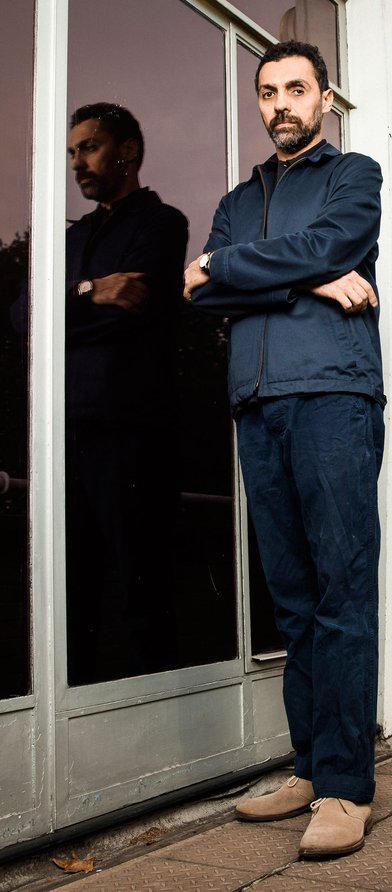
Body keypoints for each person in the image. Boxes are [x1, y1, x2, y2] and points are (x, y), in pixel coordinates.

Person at [183, 41, 385, 859]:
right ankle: (308, 768)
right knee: (294, 600)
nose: (280, 105)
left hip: (333, 393)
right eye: (267, 93)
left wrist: (237, 270)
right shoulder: (238, 197)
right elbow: (200, 295)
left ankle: (344, 787)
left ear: (324, 99)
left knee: (340, 593)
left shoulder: (354, 174)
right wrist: (305, 280)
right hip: (255, 404)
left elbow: (320, 246)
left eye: (296, 89)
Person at [64, 103, 188, 683]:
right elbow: (21, 316)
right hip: (65, 434)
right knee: (69, 595)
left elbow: (133, 313)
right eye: (72, 152)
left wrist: (65, 310)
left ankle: (160, 743)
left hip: (132, 438)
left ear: (128, 152)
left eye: (87, 147)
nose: (77, 163)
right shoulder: (74, 237)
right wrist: (90, 290)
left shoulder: (160, 224)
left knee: (143, 593)